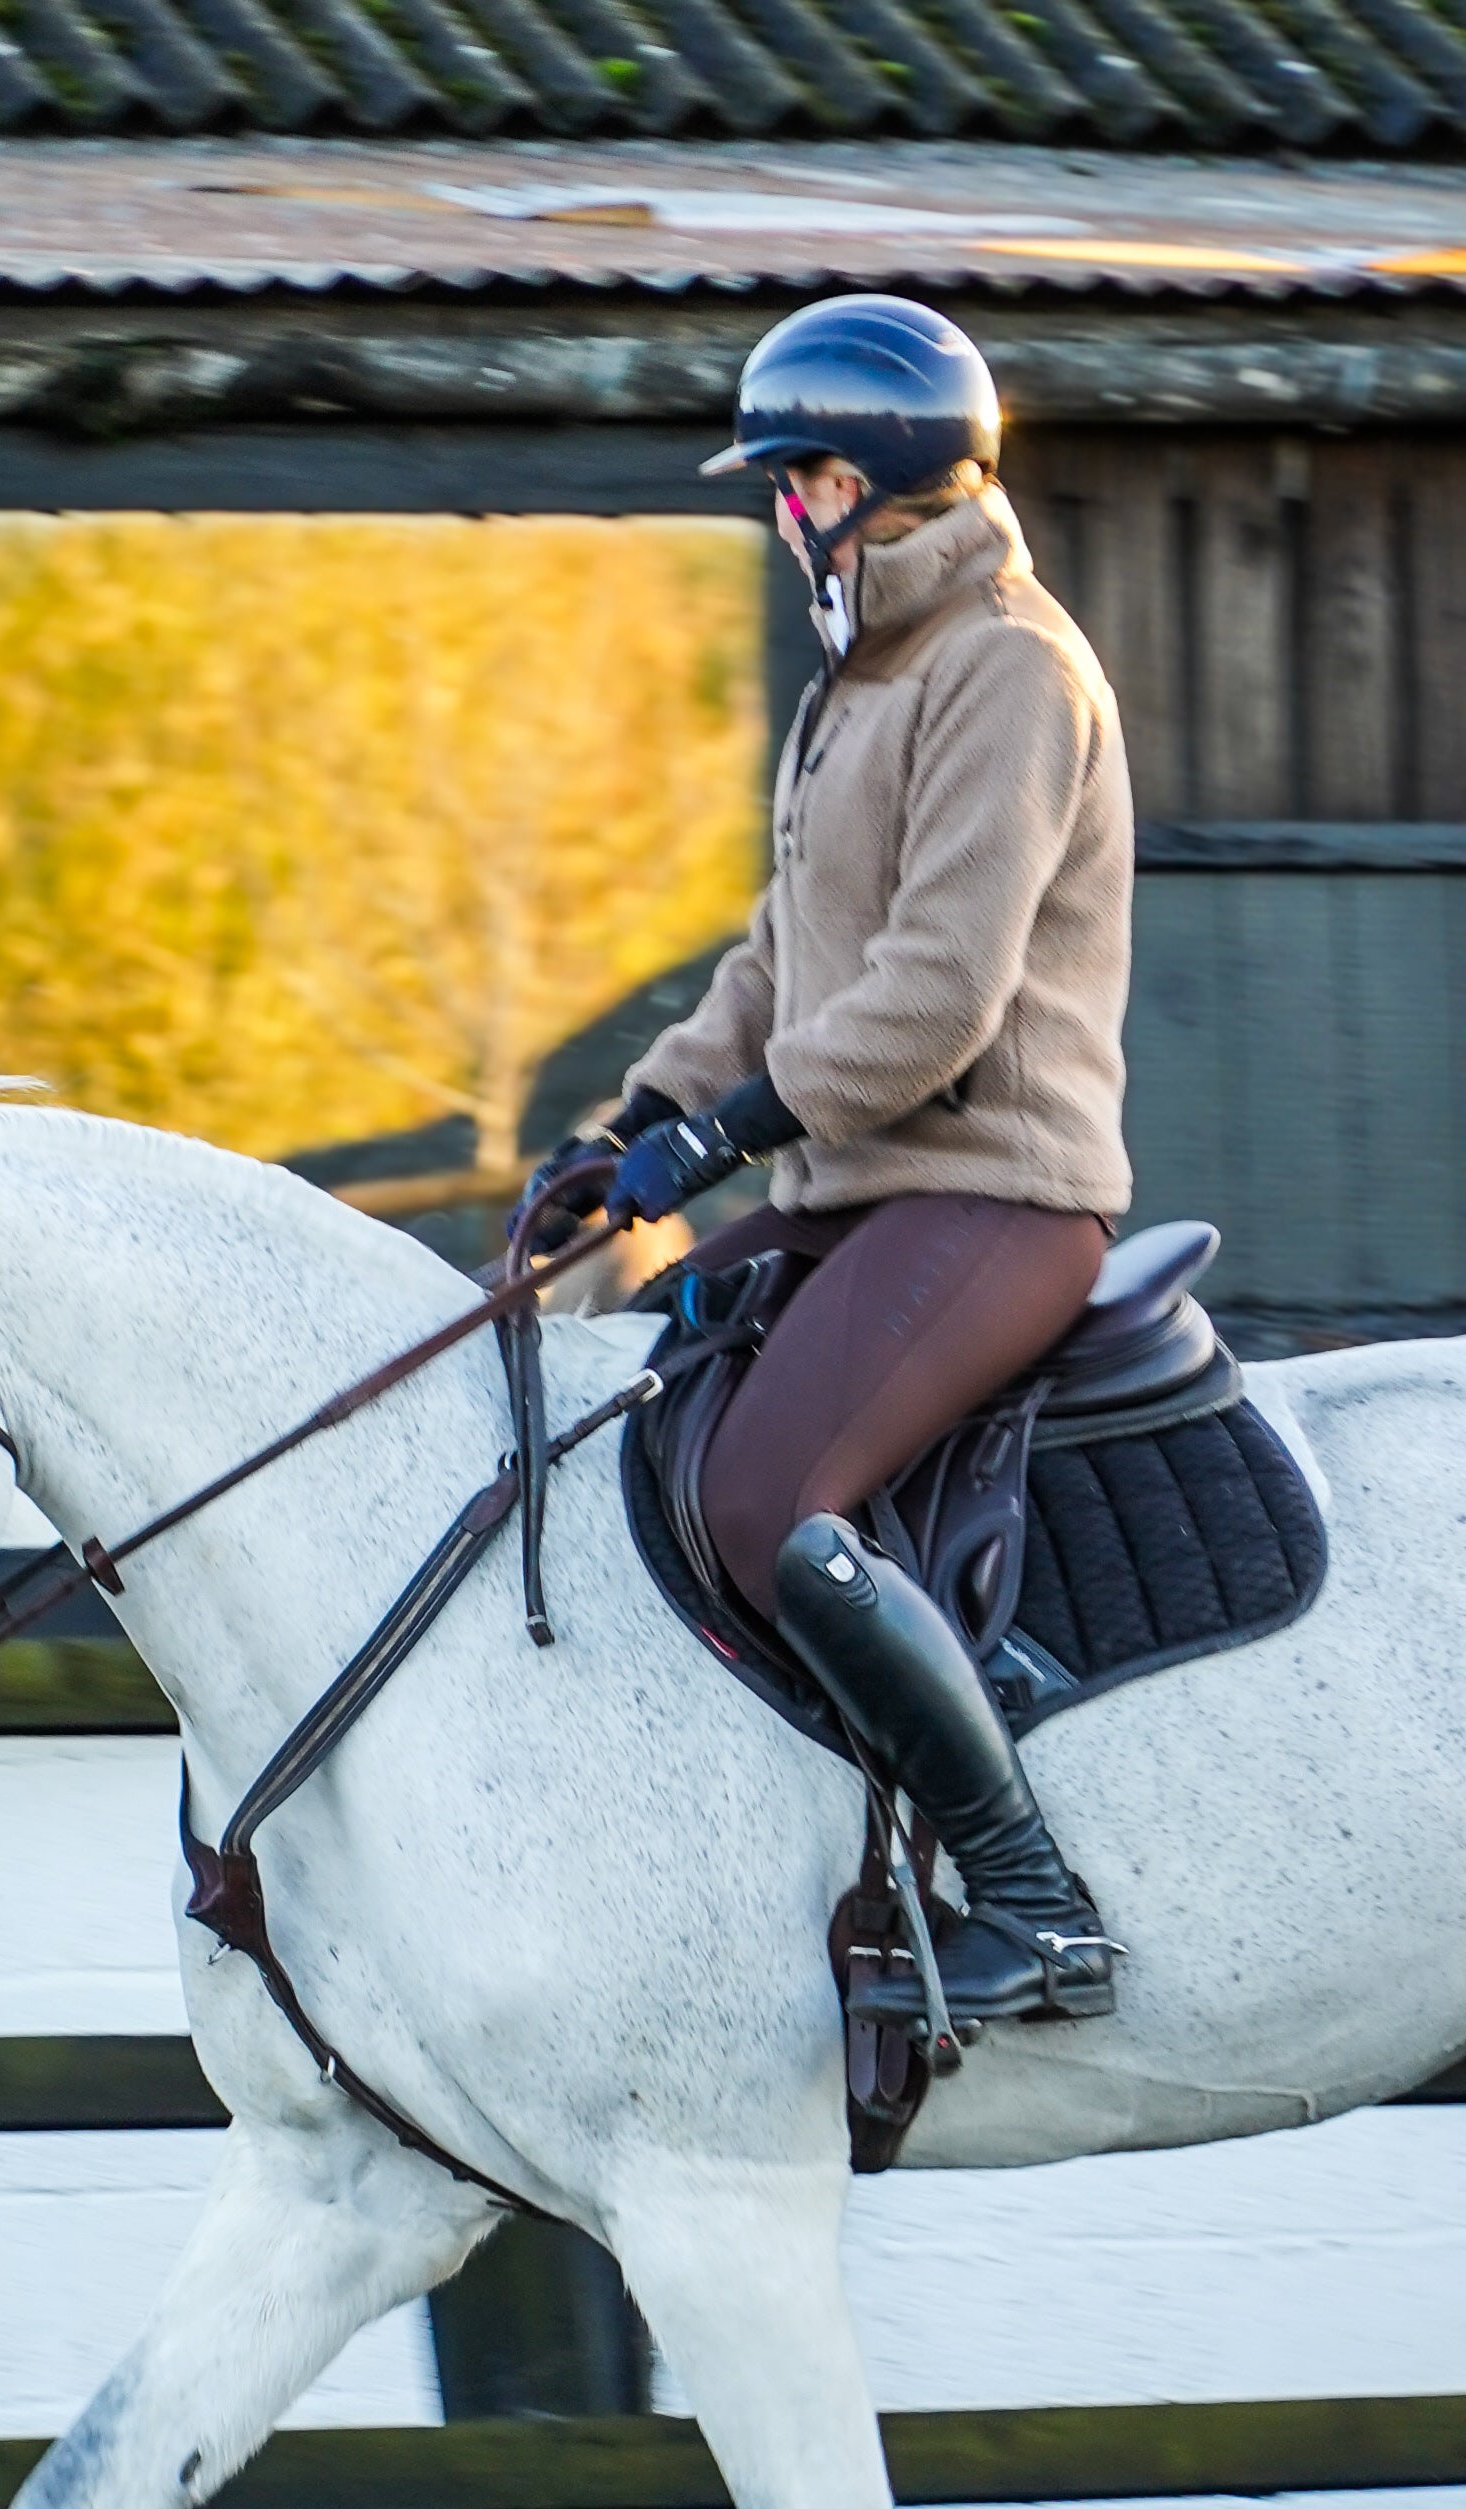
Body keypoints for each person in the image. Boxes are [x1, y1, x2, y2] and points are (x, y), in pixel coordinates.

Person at [519, 297, 1132, 2029]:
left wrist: (723, 1137)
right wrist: (634, 1125)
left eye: (787, 485)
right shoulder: (857, 687)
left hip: (995, 1191)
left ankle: (1028, 1893)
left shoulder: (1005, 667)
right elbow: (778, 968)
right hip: (851, 1192)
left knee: (760, 1502)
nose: (775, 516)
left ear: (866, 485)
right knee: (636, 1411)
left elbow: (934, 997)